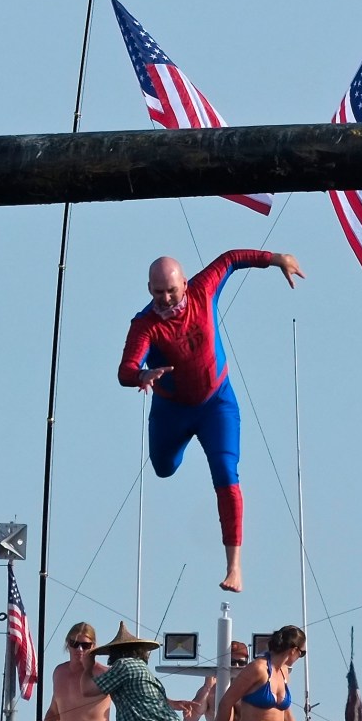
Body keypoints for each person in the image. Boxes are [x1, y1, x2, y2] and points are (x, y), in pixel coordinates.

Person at [118, 249, 305, 592]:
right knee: (163, 467)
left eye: (171, 290)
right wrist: (142, 375)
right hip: (172, 411)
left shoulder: (203, 290)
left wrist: (276, 259)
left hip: (216, 403)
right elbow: (125, 370)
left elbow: (232, 259)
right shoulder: (145, 325)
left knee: (225, 471)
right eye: (158, 292)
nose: (166, 298)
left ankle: (234, 568)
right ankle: (177, 442)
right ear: (149, 289)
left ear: (184, 284)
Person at [191, 641, 249, 721]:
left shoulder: (253, 688)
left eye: (241, 663)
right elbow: (191, 718)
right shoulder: (211, 688)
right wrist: (207, 688)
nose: (236, 666)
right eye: (232, 662)